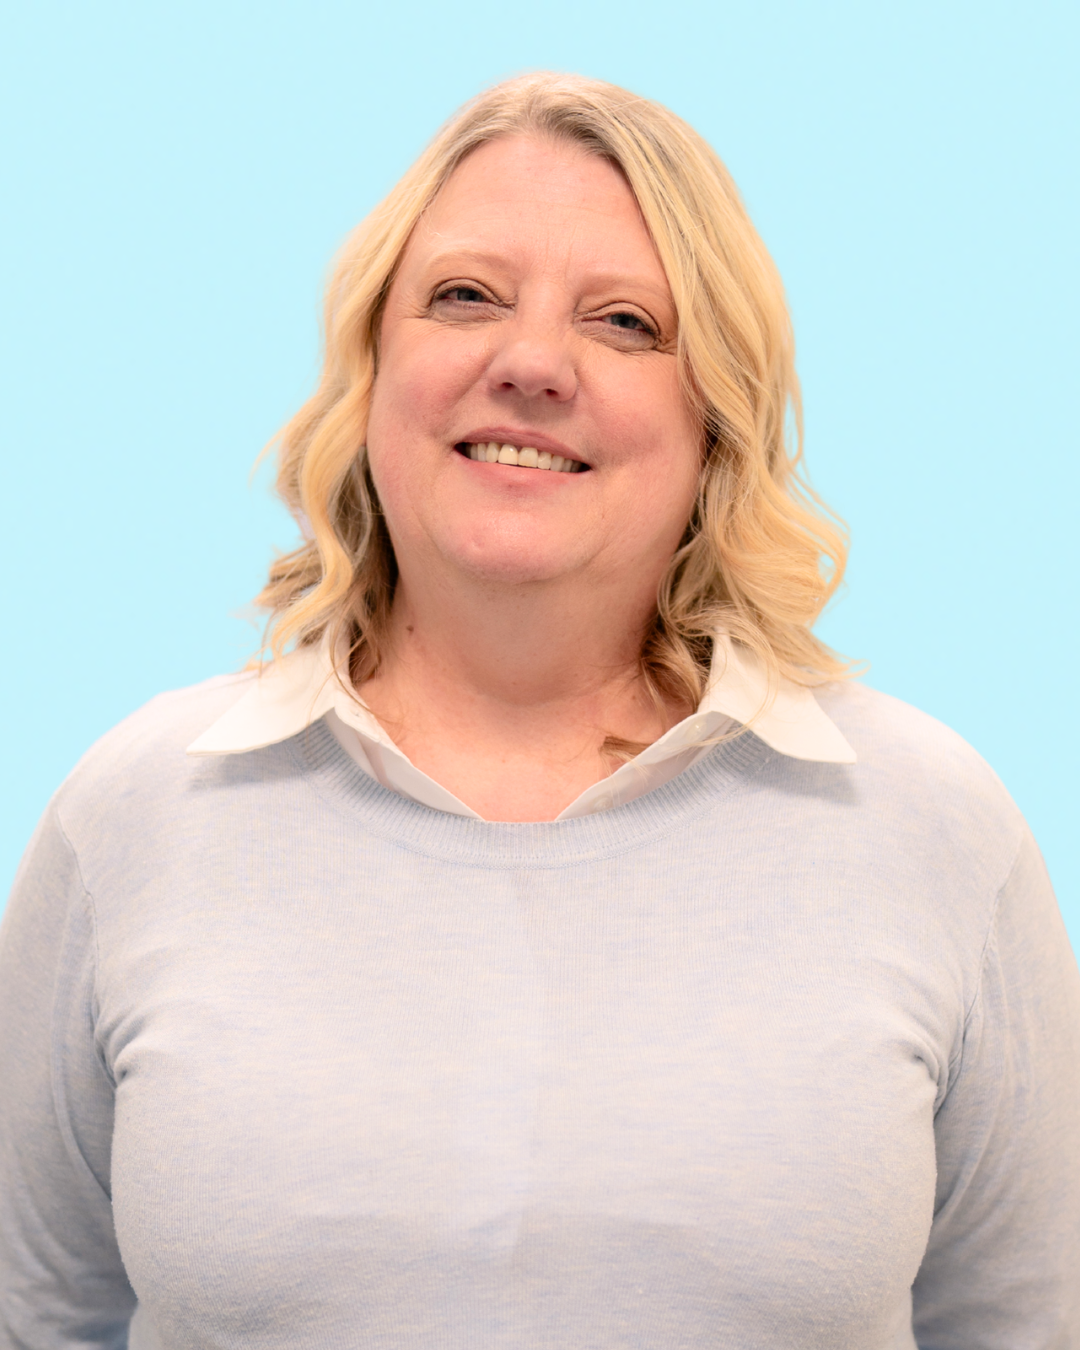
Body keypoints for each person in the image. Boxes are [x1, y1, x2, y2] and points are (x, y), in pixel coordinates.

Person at [1, 72, 1077, 1350]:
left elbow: (1025, 1325)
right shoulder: (137, 813)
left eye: (625, 322)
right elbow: (39, 1315)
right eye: (465, 296)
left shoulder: (930, 824)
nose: (529, 364)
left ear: (714, 422)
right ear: (372, 364)